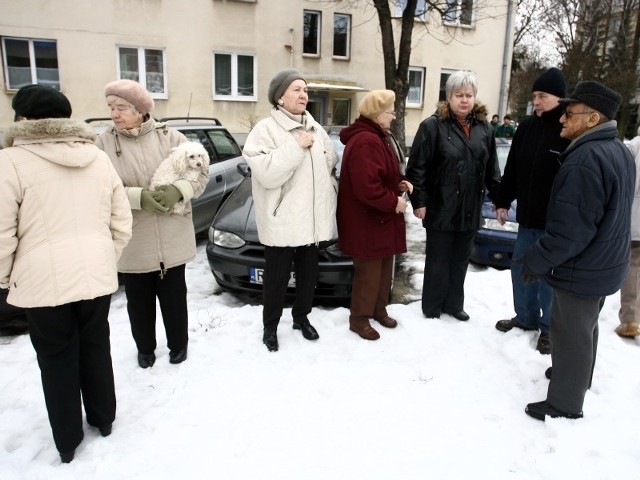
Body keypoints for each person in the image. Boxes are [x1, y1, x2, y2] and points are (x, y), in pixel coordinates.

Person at [0, 85, 132, 462]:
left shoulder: (9, 162)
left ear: (23, 120)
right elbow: (121, 220)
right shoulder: (98, 157)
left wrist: (6, 276)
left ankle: (67, 440)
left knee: (56, 357)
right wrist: (107, 255)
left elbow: (1, 233)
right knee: (95, 347)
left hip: (42, 281)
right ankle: (104, 419)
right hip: (95, 273)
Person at [522, 81, 634, 421]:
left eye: (570, 113)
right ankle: (576, 378)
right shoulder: (617, 150)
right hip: (605, 263)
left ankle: (565, 403)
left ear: (592, 119)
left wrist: (536, 261)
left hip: (583, 267)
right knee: (585, 328)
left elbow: (571, 232)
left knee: (570, 333)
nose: (562, 119)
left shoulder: (585, 160)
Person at [96, 79, 208, 368]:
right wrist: (137, 197)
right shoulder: (104, 143)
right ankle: (145, 349)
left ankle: (178, 345)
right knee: (139, 302)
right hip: (133, 239)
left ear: (141, 110)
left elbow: (201, 174)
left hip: (172, 235)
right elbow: (98, 187)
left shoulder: (172, 138)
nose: (114, 114)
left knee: (174, 298)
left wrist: (178, 190)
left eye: (121, 107)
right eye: (111, 107)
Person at [242, 69, 339, 352]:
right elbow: (267, 173)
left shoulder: (315, 128)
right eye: (296, 89)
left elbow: (329, 161)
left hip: (311, 220)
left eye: (305, 90)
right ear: (280, 97)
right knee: (276, 280)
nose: (303, 94)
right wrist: (296, 147)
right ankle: (270, 327)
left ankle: (301, 318)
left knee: (308, 278)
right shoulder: (264, 130)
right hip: (283, 221)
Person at [406, 70, 501, 321]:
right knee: (438, 260)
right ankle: (432, 307)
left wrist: (500, 201)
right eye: (459, 95)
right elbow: (417, 168)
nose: (464, 100)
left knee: (460, 260)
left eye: (469, 95)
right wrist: (420, 202)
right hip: (441, 205)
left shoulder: (485, 128)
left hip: (470, 207)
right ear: (448, 96)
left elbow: (492, 170)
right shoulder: (432, 126)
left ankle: (454, 305)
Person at [493, 68, 571, 354]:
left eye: (542, 96)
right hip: (527, 218)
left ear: (559, 98)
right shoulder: (526, 127)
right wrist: (503, 201)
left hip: (555, 223)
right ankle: (525, 317)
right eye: (534, 96)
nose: (536, 101)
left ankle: (548, 327)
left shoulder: (567, 128)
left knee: (549, 276)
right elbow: (512, 166)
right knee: (521, 268)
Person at [336, 90, 413, 340]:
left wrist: (401, 182)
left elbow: (385, 173)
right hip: (367, 221)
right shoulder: (366, 141)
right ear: (378, 114)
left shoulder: (379, 136)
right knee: (368, 274)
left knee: (383, 269)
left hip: (379, 219)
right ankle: (359, 319)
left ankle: (379, 310)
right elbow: (367, 187)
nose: (393, 116)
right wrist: (394, 202)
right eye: (390, 111)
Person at [615, 126, 640, 338]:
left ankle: (631, 319)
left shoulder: (636, 145)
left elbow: (628, 181)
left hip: (636, 218)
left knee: (632, 265)